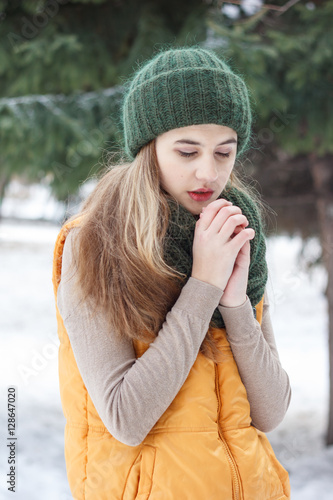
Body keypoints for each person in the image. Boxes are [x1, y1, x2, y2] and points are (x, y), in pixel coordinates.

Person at [52, 45, 291, 500]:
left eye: (224, 152)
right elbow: (126, 419)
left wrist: (236, 304)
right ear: (149, 148)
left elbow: (270, 412)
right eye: (187, 151)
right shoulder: (97, 244)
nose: (209, 172)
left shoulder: (232, 231)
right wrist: (203, 286)